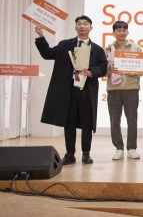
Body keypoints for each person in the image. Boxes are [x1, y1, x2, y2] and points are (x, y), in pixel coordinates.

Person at [34, 16, 107, 165]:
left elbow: (103, 68)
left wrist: (90, 71)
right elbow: (47, 54)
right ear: (75, 27)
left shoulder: (97, 49)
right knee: (69, 123)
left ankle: (86, 153)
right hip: (69, 91)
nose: (82, 26)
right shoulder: (64, 45)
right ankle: (69, 154)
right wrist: (41, 36)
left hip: (87, 91)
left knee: (87, 123)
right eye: (79, 24)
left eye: (85, 24)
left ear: (90, 28)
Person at [105, 21, 143, 161]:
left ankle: (132, 148)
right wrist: (109, 70)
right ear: (113, 32)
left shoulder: (136, 47)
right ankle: (118, 148)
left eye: (124, 30)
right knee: (114, 120)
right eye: (118, 30)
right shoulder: (108, 48)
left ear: (127, 32)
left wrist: (136, 72)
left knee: (132, 120)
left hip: (131, 88)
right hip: (113, 89)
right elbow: (103, 70)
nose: (121, 32)